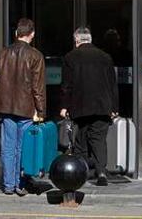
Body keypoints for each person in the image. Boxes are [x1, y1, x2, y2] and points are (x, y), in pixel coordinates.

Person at [0, 18, 46, 196]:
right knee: (24, 147)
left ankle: (8, 185)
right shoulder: (35, 56)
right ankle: (19, 183)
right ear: (32, 34)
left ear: (16, 33)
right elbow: (37, 87)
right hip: (26, 108)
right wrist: (41, 110)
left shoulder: (3, 53)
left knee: (8, 147)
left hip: (7, 108)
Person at [60, 27, 118, 186]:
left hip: (80, 106)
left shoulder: (70, 57)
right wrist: (114, 107)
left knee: (81, 140)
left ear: (77, 40)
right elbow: (112, 84)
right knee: (99, 140)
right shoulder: (105, 57)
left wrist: (64, 106)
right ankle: (101, 172)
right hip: (102, 106)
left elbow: (66, 85)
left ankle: (82, 171)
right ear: (90, 39)